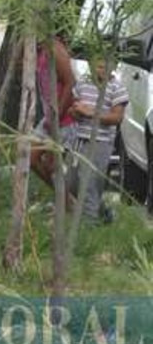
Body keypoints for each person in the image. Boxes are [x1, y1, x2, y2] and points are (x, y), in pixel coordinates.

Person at [65, 57, 126, 225]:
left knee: (90, 180)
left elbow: (117, 117)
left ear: (114, 66)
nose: (102, 70)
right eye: (98, 66)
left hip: (100, 141)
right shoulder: (83, 83)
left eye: (106, 66)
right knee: (72, 180)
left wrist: (92, 113)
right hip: (79, 138)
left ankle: (89, 223)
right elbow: (74, 108)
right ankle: (102, 210)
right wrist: (76, 111)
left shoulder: (116, 88)